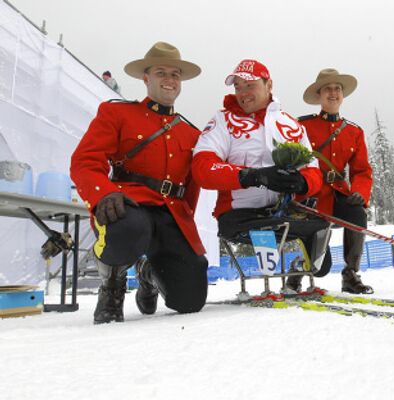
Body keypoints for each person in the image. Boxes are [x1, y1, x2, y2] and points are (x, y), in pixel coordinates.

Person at [71, 42, 208, 324]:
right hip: (126, 204)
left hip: (169, 213)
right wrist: (103, 195)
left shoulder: (191, 133)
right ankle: (112, 288)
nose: (169, 80)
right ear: (146, 78)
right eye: (161, 72)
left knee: (190, 301)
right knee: (127, 227)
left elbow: (191, 188)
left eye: (175, 74)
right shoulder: (117, 113)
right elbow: (85, 161)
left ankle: (147, 273)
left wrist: (184, 226)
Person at [191, 59, 329, 282]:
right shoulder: (223, 121)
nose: (242, 93)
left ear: (269, 85)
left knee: (321, 245)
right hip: (239, 213)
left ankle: (298, 270)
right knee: (267, 229)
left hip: (283, 210)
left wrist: (302, 183)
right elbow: (202, 167)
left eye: (249, 85)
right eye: (237, 87)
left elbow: (313, 169)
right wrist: (251, 176)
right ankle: (269, 278)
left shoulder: (291, 125)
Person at [295, 68, 374, 294]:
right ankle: (297, 269)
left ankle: (351, 274)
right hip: (311, 198)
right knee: (319, 268)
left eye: (337, 89)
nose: (333, 93)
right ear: (319, 96)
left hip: (339, 195)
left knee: (358, 213)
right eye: (327, 89)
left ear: (342, 95)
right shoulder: (302, 126)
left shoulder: (353, 132)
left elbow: (361, 171)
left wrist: (359, 192)